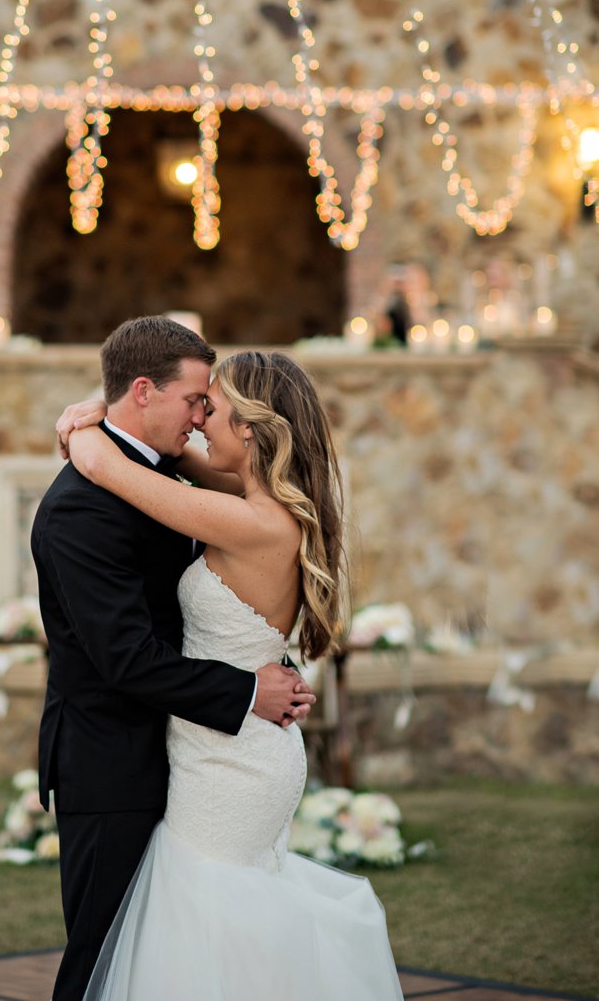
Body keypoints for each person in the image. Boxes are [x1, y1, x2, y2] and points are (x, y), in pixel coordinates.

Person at [61, 347, 405, 1001]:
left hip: (231, 764)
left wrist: (84, 424)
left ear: (248, 426)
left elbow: (109, 464)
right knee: (219, 929)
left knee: (208, 927)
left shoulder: (251, 521)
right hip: (231, 745)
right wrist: (100, 409)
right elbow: (163, 454)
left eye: (209, 408)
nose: (196, 422)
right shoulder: (258, 501)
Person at [31, 317, 316, 1001]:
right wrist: (248, 690)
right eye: (195, 400)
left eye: (211, 406)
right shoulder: (81, 510)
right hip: (111, 764)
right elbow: (126, 659)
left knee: (180, 953)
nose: (200, 416)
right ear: (142, 391)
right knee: (105, 959)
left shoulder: (167, 482)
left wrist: (90, 439)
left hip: (194, 758)